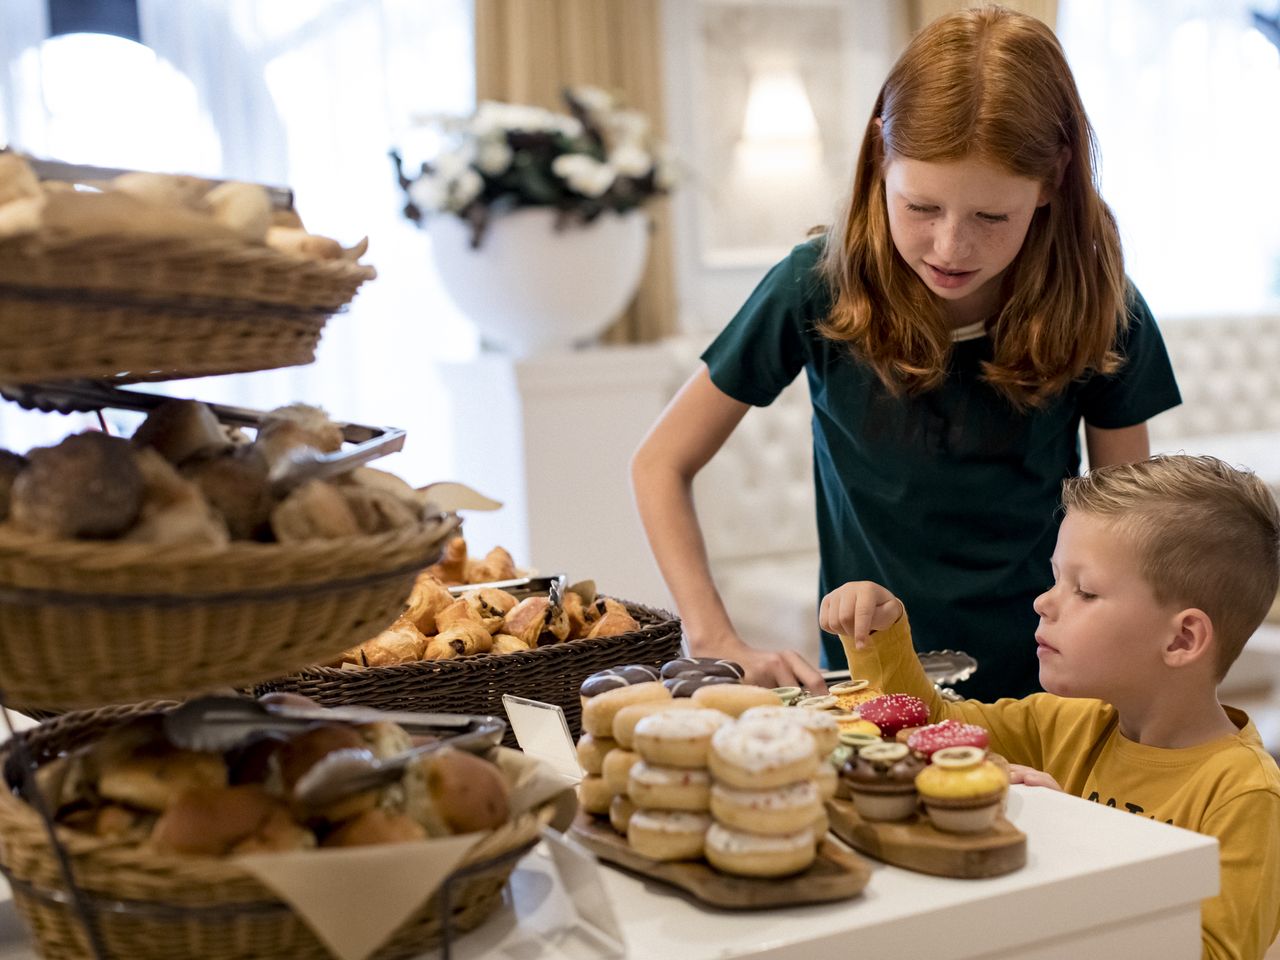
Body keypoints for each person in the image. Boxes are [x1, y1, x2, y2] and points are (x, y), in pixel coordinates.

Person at [630, 5, 1181, 699]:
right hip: (872, 687)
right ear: (880, 154)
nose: (951, 248)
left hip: (1053, 690)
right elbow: (659, 463)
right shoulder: (814, 284)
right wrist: (714, 638)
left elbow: (1124, 530)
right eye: (922, 208)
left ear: (1053, 181)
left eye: (990, 217)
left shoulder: (1104, 304)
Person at [822, 455, 1280, 958]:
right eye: (1055, 578)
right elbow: (930, 728)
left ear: (1182, 639)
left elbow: (1211, 952)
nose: (1044, 602)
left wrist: (1066, 837)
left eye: (1084, 590)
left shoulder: (1245, 796)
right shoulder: (1062, 723)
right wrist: (878, 638)